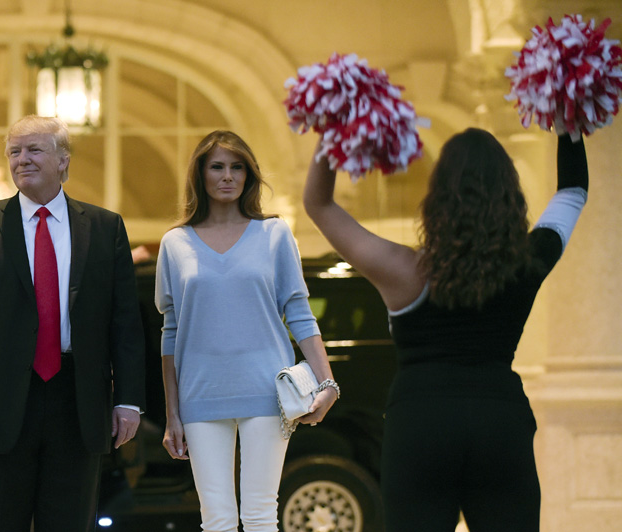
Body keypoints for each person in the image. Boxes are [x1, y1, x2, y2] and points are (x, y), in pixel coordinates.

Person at [303, 128, 588, 532]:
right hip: (499, 422)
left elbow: (319, 205)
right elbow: (573, 191)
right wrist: (569, 124)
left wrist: (333, 128)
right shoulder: (527, 262)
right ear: (509, 192)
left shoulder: (403, 269)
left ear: (436, 197)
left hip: (420, 423)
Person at [0, 115, 146, 532]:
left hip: (78, 397)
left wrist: (127, 399)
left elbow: (125, 322)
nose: (22, 160)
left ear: (63, 161)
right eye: (14, 151)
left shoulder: (105, 228)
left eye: (34, 150)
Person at [155, 130, 339, 532]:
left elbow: (300, 313)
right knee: (216, 519)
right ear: (200, 174)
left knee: (259, 516)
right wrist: (172, 414)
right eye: (217, 167)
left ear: (249, 175)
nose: (228, 176)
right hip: (200, 394)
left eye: (237, 167)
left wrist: (328, 383)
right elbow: (170, 332)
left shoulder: (274, 234)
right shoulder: (174, 243)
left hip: (268, 391)